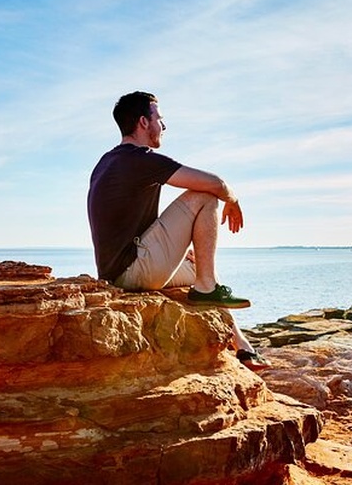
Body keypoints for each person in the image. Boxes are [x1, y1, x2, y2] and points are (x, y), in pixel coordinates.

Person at [87, 91, 269, 370]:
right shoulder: (140, 159)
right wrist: (232, 199)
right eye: (159, 118)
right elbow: (215, 184)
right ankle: (206, 288)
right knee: (205, 196)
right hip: (134, 270)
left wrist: (182, 254)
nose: (164, 126)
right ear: (143, 123)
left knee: (200, 265)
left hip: (117, 273)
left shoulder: (107, 161)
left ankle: (241, 345)